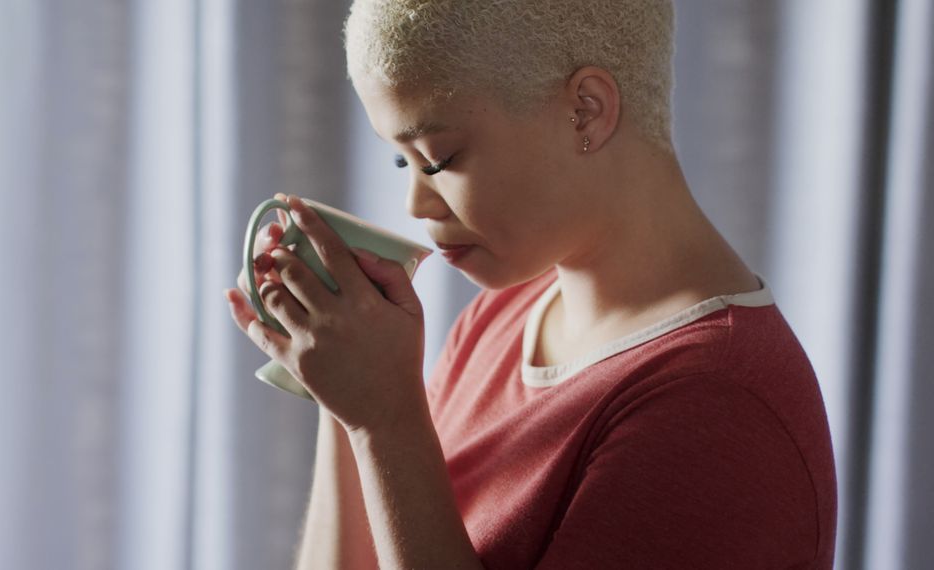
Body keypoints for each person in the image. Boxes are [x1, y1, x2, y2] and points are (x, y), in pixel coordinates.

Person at [225, 0, 837, 567]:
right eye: (399, 159)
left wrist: (383, 420)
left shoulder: (716, 408)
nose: (415, 202)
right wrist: (345, 388)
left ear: (586, 111)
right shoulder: (501, 321)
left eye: (439, 157)